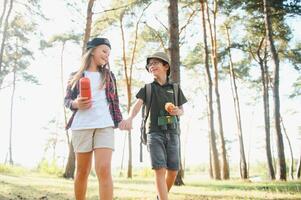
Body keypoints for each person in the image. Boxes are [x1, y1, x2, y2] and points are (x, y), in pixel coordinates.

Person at [119, 52, 187, 200]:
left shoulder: (175, 88)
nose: (152, 66)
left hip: (173, 132)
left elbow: (182, 110)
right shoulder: (148, 88)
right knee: (160, 169)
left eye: (156, 63)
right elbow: (136, 106)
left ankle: (160, 197)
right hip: (154, 133)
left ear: (166, 66)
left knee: (173, 170)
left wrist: (178, 111)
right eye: (150, 64)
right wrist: (130, 118)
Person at [64, 37, 123, 200]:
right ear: (92, 50)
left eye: (109, 53)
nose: (107, 55)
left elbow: (115, 101)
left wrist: (120, 121)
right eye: (104, 51)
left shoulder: (109, 76)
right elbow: (67, 100)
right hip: (82, 125)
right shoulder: (75, 75)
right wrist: (76, 103)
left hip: (105, 125)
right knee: (82, 170)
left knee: (104, 169)